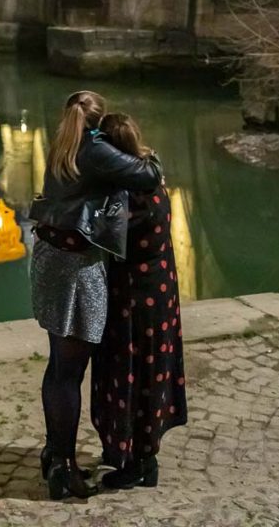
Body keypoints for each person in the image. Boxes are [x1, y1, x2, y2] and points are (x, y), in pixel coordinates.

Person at [30, 92, 162, 501]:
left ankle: (54, 453)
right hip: (76, 269)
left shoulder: (63, 144)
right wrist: (146, 152)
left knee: (57, 366)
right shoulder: (95, 147)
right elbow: (149, 174)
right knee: (70, 372)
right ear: (99, 122)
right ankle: (64, 471)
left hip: (49, 258)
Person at [91, 112, 187, 490]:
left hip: (135, 299)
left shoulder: (128, 195)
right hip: (160, 294)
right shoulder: (153, 177)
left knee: (131, 371)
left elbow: (99, 234)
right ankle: (136, 452)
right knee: (152, 371)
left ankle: (138, 462)